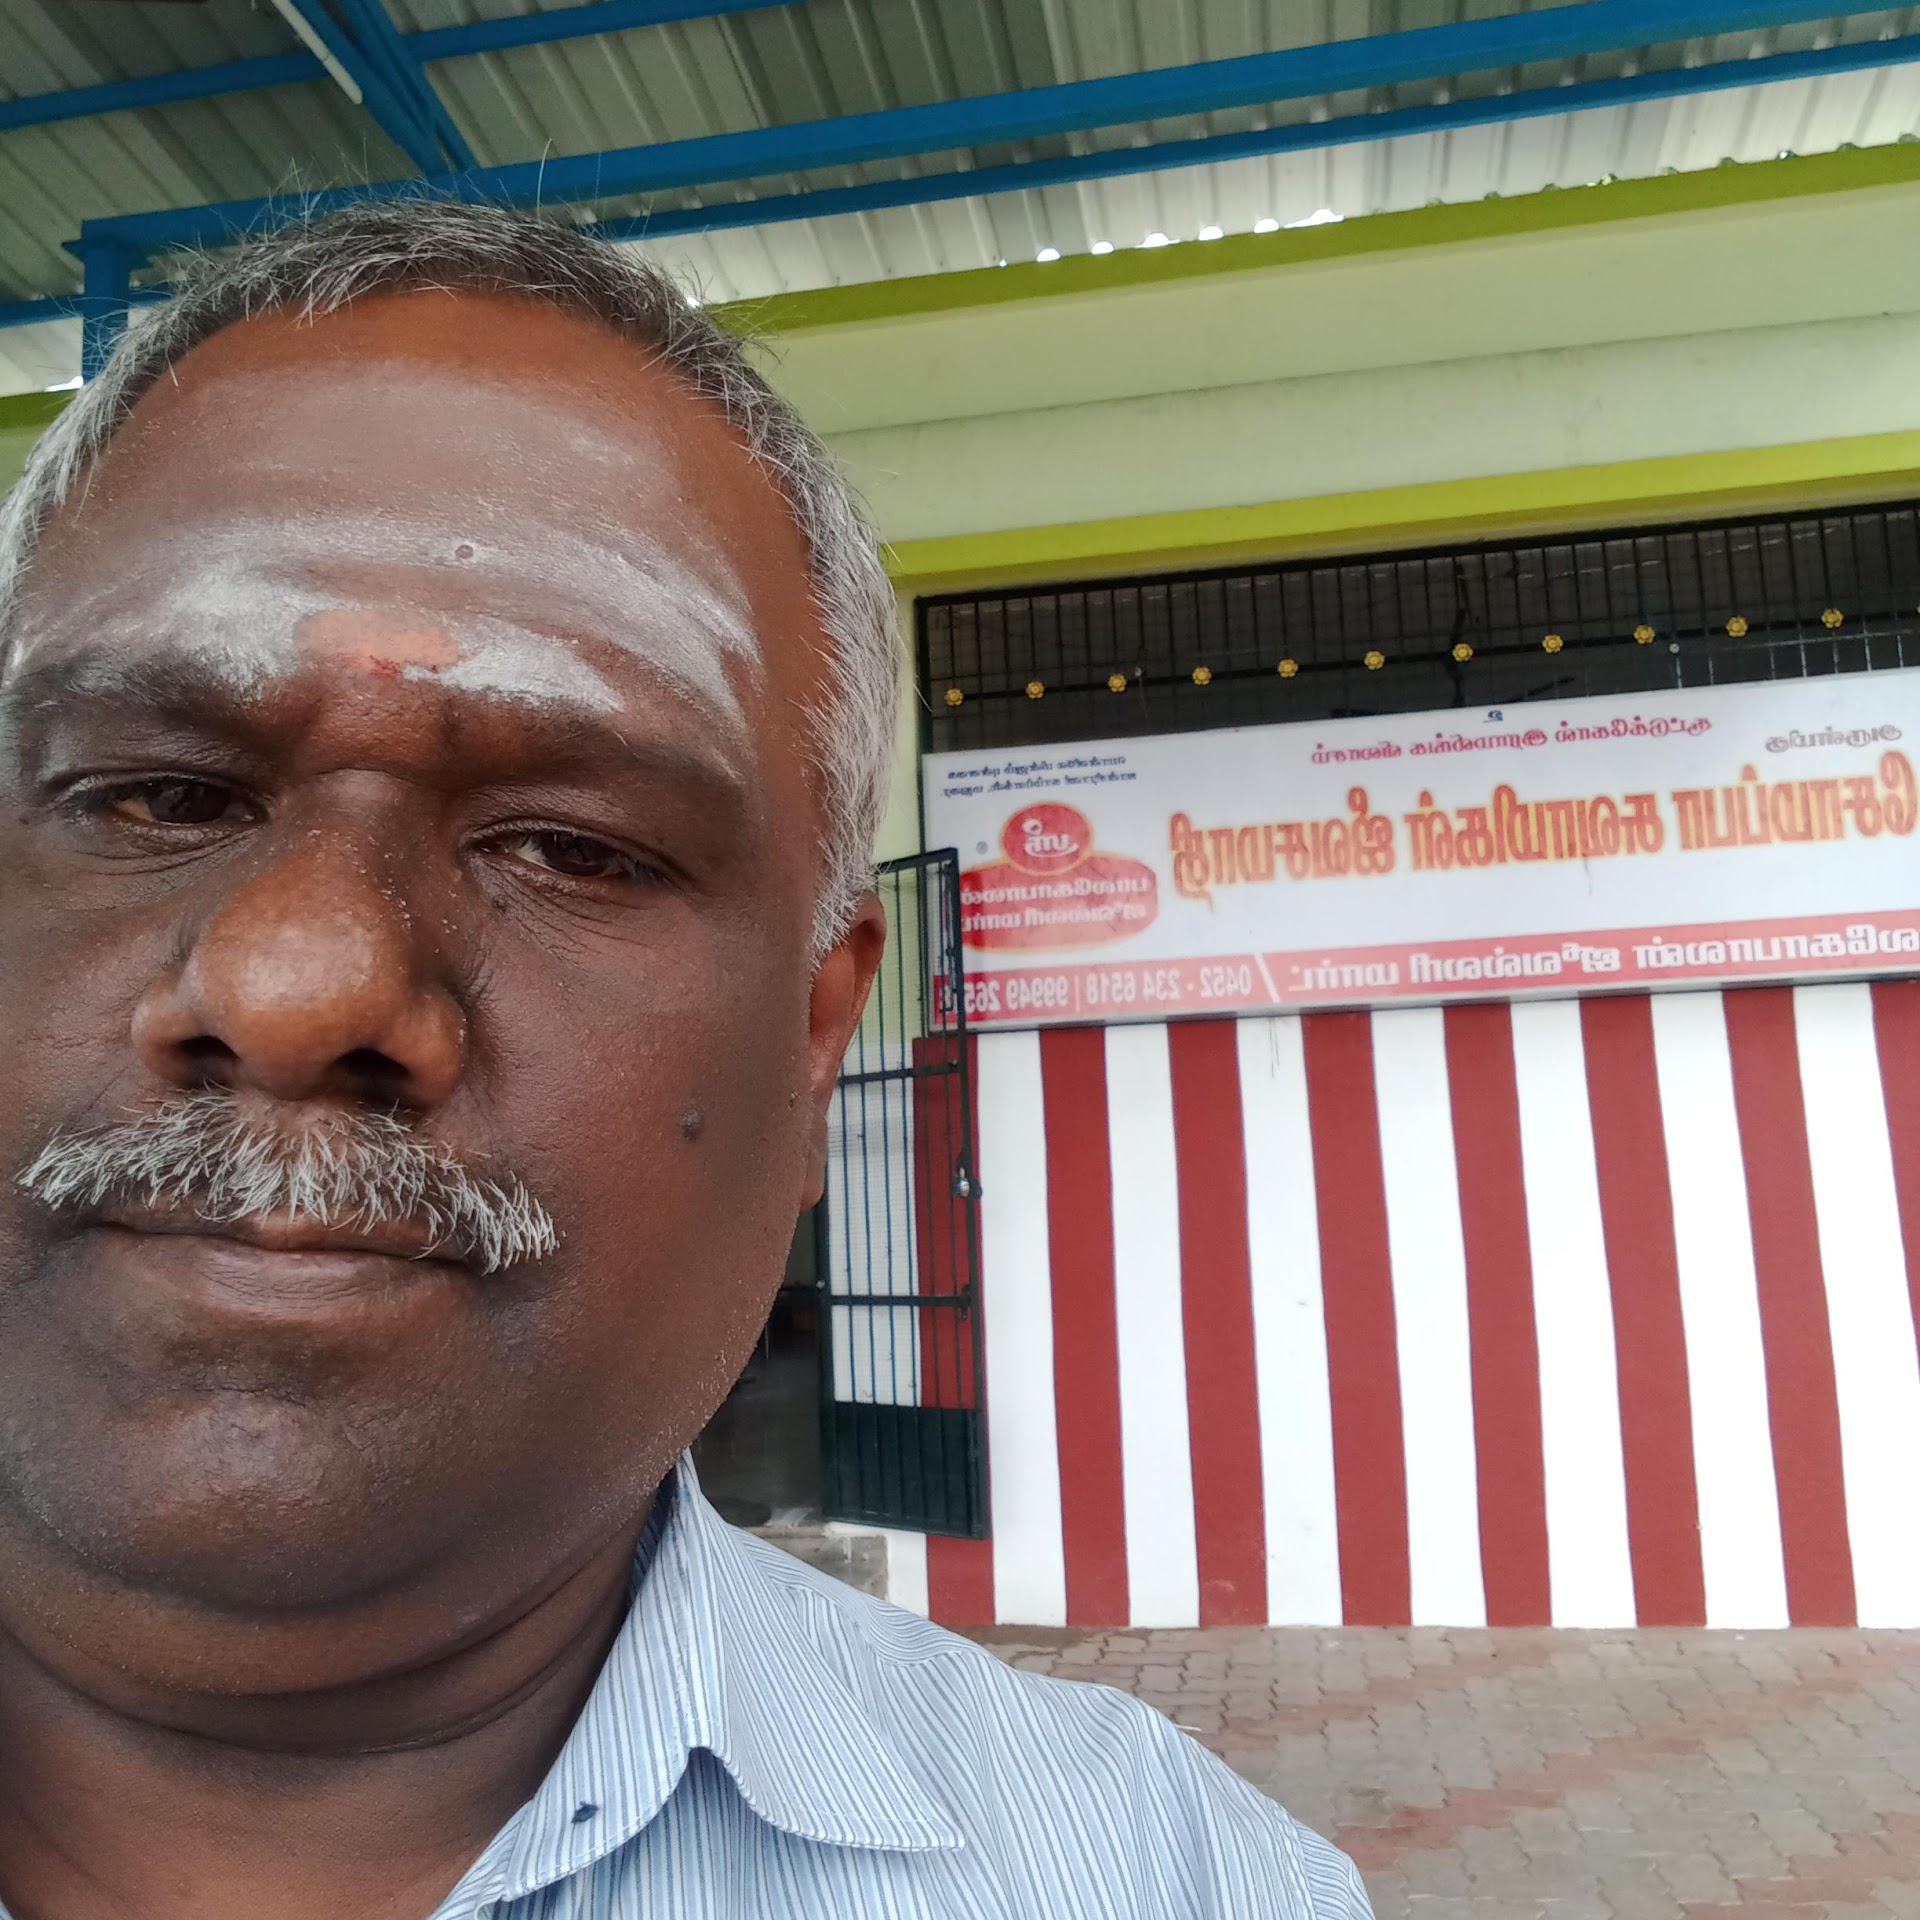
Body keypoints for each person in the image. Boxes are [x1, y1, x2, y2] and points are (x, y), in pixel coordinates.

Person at [0, 198, 1370, 1920]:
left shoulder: (1159, 1886)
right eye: (155, 797)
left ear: (814, 1033)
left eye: (570, 845)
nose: (298, 988)